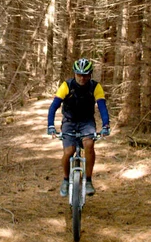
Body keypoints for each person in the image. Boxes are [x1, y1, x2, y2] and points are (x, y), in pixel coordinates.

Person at [47, 58, 110, 197]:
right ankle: (65, 179)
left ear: (90, 74)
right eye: (79, 74)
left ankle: (88, 180)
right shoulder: (66, 86)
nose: (82, 78)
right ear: (75, 74)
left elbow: (102, 108)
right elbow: (53, 107)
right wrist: (51, 125)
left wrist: (106, 125)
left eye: (86, 74)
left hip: (86, 121)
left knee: (89, 144)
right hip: (69, 121)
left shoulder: (95, 87)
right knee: (68, 151)